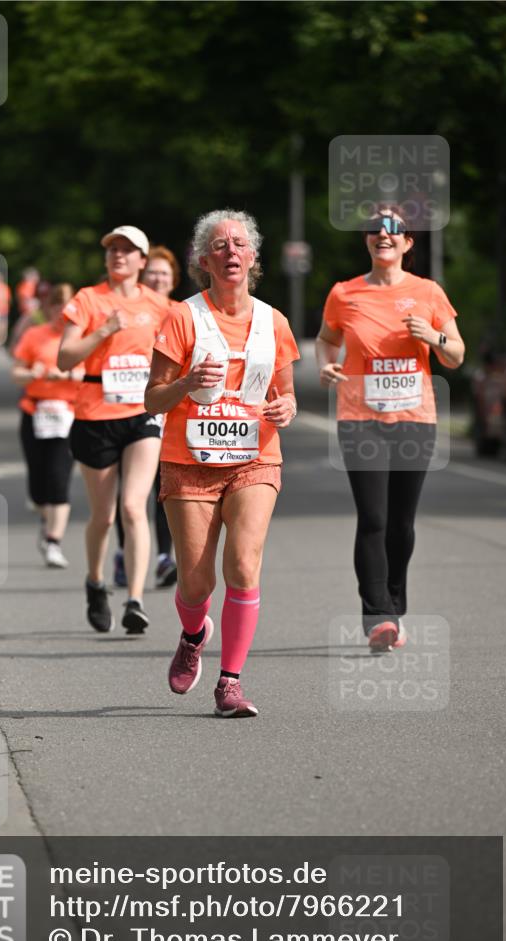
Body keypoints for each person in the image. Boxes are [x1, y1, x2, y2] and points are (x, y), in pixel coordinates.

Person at [145, 209, 299, 718]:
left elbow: (287, 396)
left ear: (252, 258)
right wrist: (187, 383)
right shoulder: (182, 317)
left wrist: (286, 407)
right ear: (204, 260)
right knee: (195, 583)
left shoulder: (273, 321)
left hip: (254, 458)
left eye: (240, 243)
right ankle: (193, 635)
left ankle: (229, 682)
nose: (230, 250)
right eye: (219, 244)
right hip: (188, 462)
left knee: (243, 565)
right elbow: (153, 400)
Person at [316, 204, 465, 651]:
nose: (384, 234)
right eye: (375, 229)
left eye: (394, 229)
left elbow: (456, 355)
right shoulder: (344, 293)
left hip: (414, 420)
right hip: (361, 419)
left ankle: (394, 606)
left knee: (402, 523)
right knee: (374, 518)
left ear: (408, 242)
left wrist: (433, 336)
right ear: (366, 240)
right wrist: (327, 367)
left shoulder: (428, 292)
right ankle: (377, 615)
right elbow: (327, 340)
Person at [58, 225, 171, 633]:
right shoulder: (87, 300)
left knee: (133, 506)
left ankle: (135, 600)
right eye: (112, 250)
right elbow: (64, 359)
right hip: (94, 417)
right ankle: (95, 582)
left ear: (143, 260)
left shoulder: (161, 305)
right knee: (104, 517)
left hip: (142, 415)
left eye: (127, 250)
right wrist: (104, 330)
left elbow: (177, 354)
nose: (118, 255)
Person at [112, 245, 181, 589]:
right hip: (130, 413)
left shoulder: (182, 313)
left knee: (163, 489)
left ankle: (163, 557)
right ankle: (126, 552)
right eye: (153, 272)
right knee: (131, 493)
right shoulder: (126, 310)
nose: (158, 278)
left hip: (171, 415)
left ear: (174, 280)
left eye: (164, 274)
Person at [12, 284, 82, 568]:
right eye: (56, 308)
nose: (61, 315)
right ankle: (46, 518)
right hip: (35, 411)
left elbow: (91, 374)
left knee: (60, 476)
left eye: (66, 309)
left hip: (68, 414)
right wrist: (31, 373)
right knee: (38, 483)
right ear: (48, 309)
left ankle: (54, 541)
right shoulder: (34, 335)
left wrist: (69, 375)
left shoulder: (80, 337)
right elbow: (16, 373)